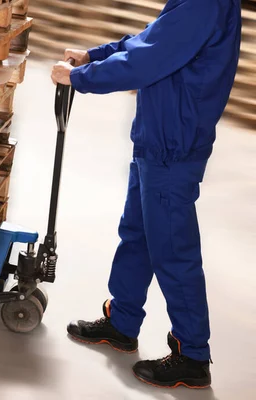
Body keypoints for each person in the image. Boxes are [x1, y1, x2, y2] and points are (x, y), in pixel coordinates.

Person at [50, 0, 242, 389]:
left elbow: (149, 60)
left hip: (173, 147)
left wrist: (81, 77)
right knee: (136, 234)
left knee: (173, 250)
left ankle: (192, 356)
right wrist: (95, 54)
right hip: (157, 139)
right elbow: (150, 39)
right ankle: (122, 322)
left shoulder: (205, 4)